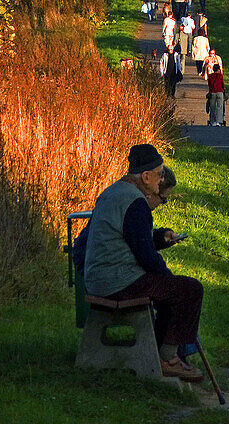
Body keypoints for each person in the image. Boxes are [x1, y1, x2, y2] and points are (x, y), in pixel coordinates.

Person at [83, 144, 204, 382]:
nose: (161, 179)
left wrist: (159, 237)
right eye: (159, 174)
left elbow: (131, 237)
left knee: (172, 291)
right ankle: (168, 359)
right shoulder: (135, 202)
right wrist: (169, 279)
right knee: (190, 290)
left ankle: (162, 353)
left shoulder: (113, 191)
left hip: (100, 277)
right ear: (146, 176)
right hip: (118, 281)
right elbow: (146, 256)